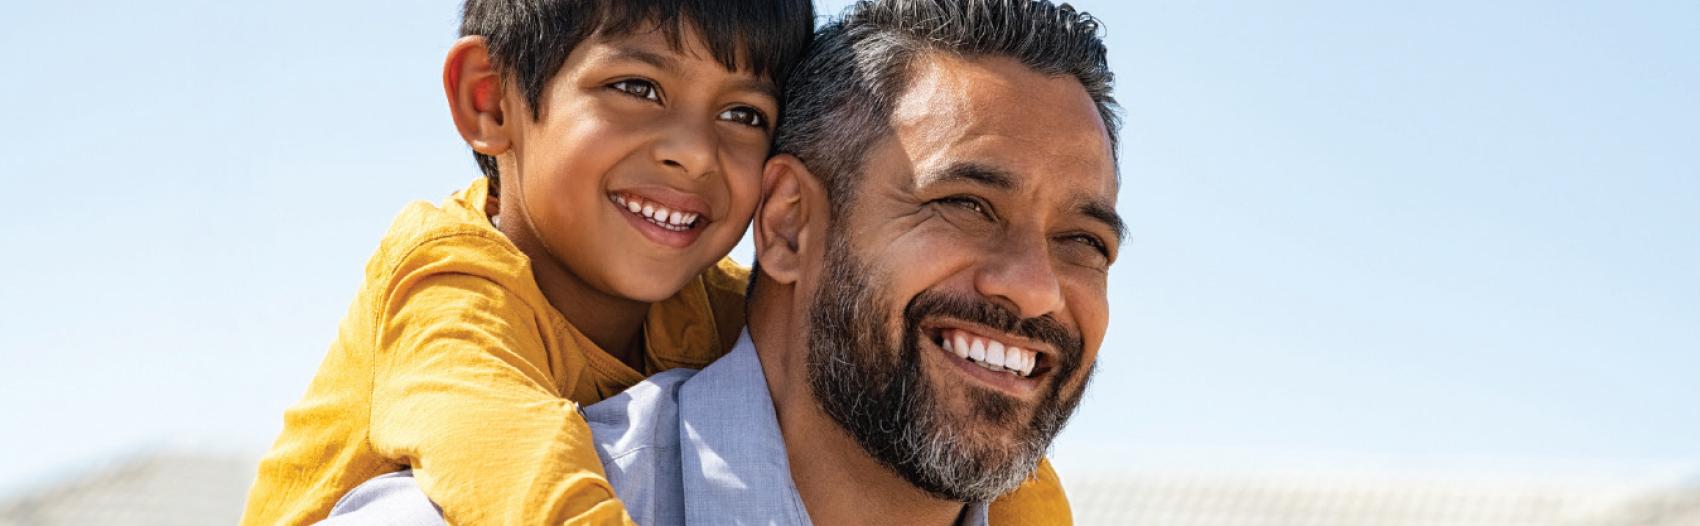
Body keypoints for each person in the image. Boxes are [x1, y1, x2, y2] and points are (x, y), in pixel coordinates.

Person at [241, 0, 1071, 523]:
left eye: (743, 112)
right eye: (638, 88)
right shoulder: (451, 281)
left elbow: (959, 427)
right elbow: (505, 449)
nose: (691, 153)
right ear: (490, 100)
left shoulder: (708, 306)